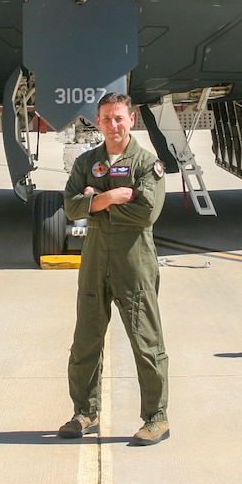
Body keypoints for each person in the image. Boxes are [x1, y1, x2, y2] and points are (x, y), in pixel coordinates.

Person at [57, 92, 170, 446]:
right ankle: (84, 412)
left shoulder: (146, 164)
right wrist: (110, 197)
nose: (113, 124)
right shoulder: (88, 162)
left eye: (119, 117)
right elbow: (71, 206)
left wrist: (93, 201)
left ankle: (156, 417)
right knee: (85, 341)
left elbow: (146, 212)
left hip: (133, 260)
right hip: (94, 259)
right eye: (106, 118)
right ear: (98, 122)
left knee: (145, 341)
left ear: (131, 120)